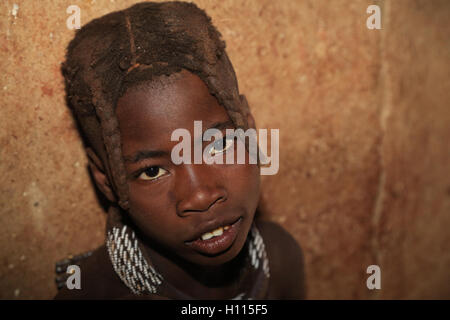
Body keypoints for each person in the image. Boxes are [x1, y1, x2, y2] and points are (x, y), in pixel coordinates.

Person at [54, 1, 305, 299]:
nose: (199, 195)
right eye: (152, 171)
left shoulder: (280, 259)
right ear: (106, 181)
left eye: (219, 145)